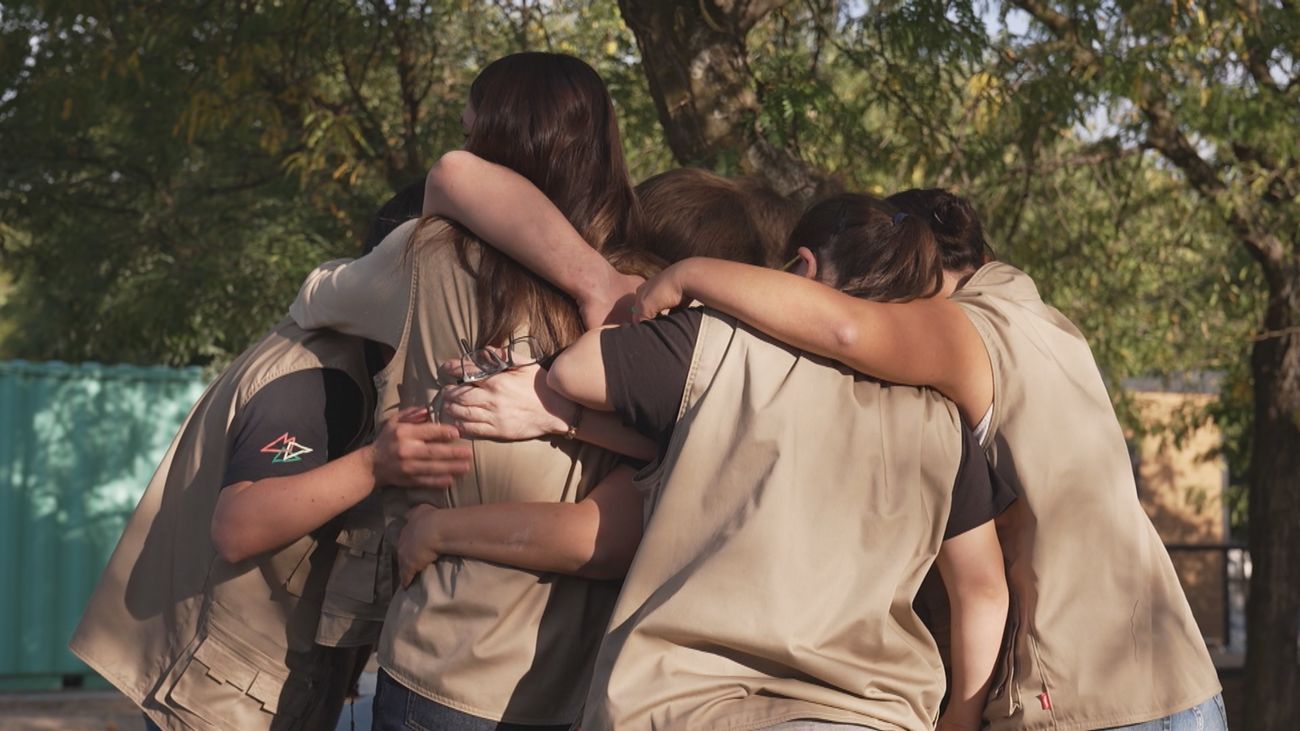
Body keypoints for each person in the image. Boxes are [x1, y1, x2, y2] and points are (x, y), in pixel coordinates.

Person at [633, 189, 1226, 731]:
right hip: (1177, 684)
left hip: (1086, 699)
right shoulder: (1042, 322)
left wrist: (691, 275)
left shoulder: (967, 326)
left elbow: (843, 330)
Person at [534, 193, 1013, 730]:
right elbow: (984, 588)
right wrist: (962, 716)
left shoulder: (716, 344)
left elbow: (574, 373)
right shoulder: (943, 423)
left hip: (685, 709)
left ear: (801, 268)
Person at [287, 52, 648, 730]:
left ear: (495, 136)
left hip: (446, 664)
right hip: (592, 683)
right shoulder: (646, 291)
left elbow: (314, 297)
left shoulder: (428, 258)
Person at [68, 190, 473, 731]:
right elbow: (238, 526)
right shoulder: (321, 379)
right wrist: (375, 464)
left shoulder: (358, 360)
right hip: (219, 698)